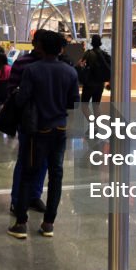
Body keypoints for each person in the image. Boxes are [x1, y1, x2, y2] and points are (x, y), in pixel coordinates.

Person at [8, 31, 80, 239]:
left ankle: (21, 223)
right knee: (56, 175)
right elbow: (72, 102)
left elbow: (22, 99)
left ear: (41, 47)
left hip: (37, 130)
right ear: (60, 49)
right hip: (60, 129)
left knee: (28, 173)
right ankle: (49, 223)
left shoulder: (32, 69)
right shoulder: (70, 72)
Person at [7, 31, 48, 214]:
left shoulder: (52, 64)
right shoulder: (22, 63)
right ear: (34, 43)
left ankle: (34, 196)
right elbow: (12, 90)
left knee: (44, 160)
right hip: (28, 119)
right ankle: (17, 200)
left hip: (48, 120)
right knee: (25, 159)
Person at [78, 35, 111, 112]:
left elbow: (80, 64)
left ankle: (92, 122)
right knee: (96, 107)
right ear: (100, 43)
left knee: (84, 106)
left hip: (89, 84)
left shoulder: (88, 54)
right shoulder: (105, 54)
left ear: (92, 43)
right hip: (100, 84)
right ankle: (96, 123)